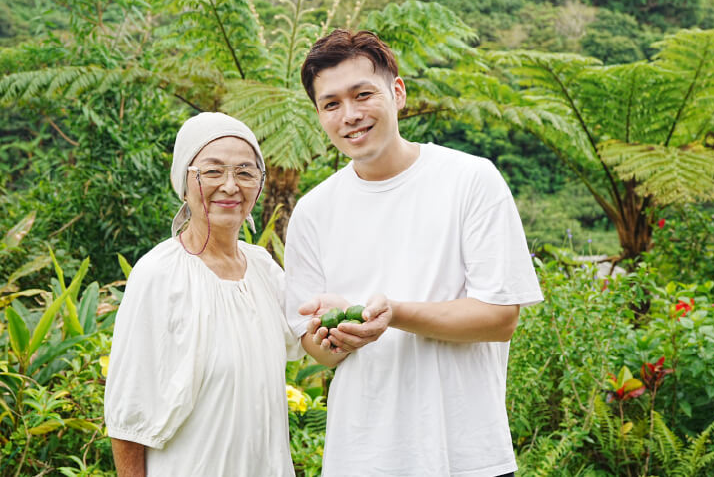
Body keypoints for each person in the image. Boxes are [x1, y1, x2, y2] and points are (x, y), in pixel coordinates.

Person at [285, 30, 543, 477]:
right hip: (359, 459)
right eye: (331, 104)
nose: (350, 115)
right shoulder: (313, 212)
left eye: (363, 94)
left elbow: (501, 318)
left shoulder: (471, 180)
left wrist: (393, 314)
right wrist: (334, 336)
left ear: (397, 92)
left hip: (465, 457)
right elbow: (317, 352)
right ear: (319, 115)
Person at [104, 112, 302, 476]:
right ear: (184, 182)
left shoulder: (264, 269)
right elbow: (127, 414)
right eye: (212, 172)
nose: (230, 186)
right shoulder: (159, 274)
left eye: (245, 173)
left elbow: (312, 335)